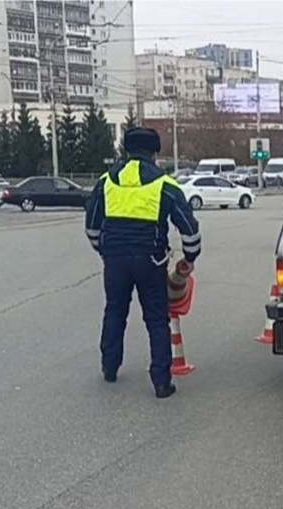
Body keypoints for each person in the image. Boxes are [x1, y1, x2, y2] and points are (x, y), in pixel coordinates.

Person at [85, 127, 201, 398]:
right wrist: (190, 256)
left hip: (115, 259)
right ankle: (161, 382)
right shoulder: (165, 184)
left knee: (115, 311)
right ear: (155, 152)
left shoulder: (106, 182)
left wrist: (104, 250)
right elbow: (189, 227)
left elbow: (91, 225)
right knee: (157, 319)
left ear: (125, 149)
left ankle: (110, 366)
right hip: (151, 259)